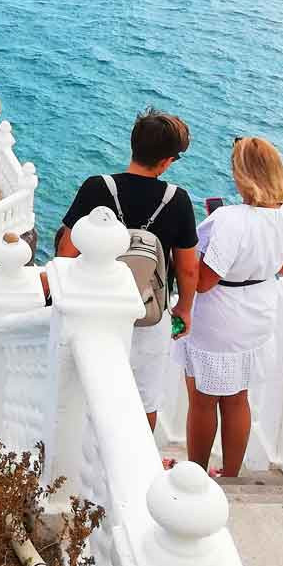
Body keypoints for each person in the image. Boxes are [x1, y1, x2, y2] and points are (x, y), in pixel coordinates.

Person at [55, 109, 199, 432]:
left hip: (94, 308)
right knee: (145, 399)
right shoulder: (178, 201)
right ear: (166, 162)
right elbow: (188, 269)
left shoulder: (97, 188)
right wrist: (184, 309)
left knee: (85, 388)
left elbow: (67, 250)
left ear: (133, 145)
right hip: (148, 315)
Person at [176, 136, 283, 478]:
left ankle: (195, 476)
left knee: (203, 400)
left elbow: (204, 281)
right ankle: (230, 476)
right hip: (258, 315)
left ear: (243, 175)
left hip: (218, 318)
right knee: (238, 399)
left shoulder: (228, 219)